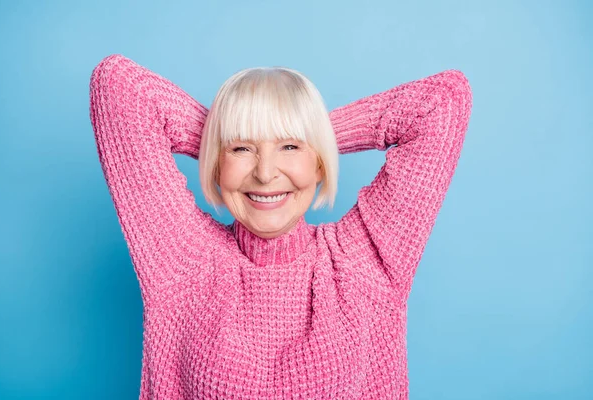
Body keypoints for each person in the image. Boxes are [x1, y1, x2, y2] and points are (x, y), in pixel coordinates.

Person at [88, 54, 472, 399]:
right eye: (241, 148)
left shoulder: (363, 261)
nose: (266, 172)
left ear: (319, 160)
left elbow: (442, 101)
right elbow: (119, 87)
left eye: (290, 147)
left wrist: (316, 133)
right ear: (218, 162)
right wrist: (222, 136)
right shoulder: (183, 260)